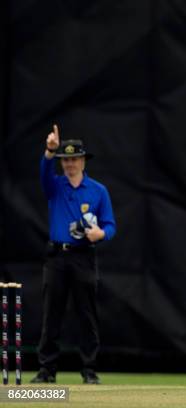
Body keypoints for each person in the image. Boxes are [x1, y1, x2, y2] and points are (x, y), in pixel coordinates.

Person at [31, 124, 116, 384]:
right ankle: (47, 370)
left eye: (73, 159)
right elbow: (44, 174)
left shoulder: (98, 190)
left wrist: (100, 234)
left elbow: (110, 225)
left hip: (83, 256)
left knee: (86, 314)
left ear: (82, 161)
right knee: (51, 314)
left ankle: (89, 370)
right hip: (57, 256)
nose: (69, 164)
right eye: (65, 160)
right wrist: (49, 151)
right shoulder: (55, 186)